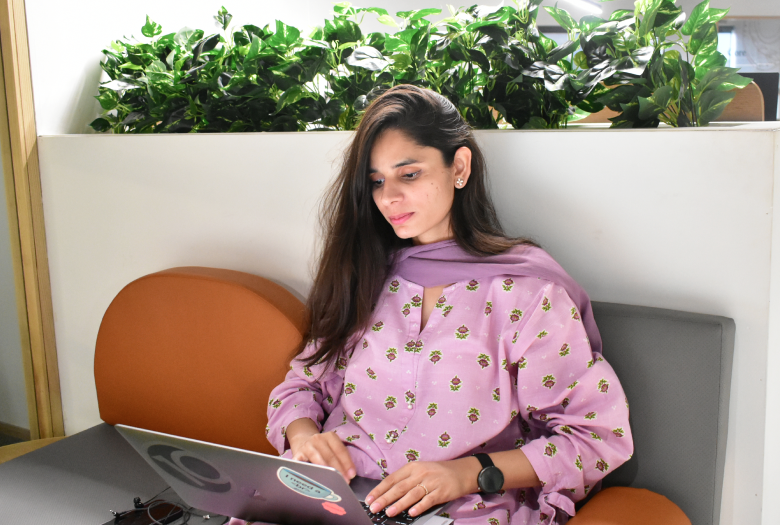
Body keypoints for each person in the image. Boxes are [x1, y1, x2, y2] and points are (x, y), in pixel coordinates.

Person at [243, 85, 633, 524]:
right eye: (376, 181)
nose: (388, 197)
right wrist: (305, 438)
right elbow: (303, 386)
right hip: (336, 499)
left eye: (409, 174)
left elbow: (595, 438)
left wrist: (468, 473)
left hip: (463, 510)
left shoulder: (528, 294)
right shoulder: (365, 276)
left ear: (459, 167)